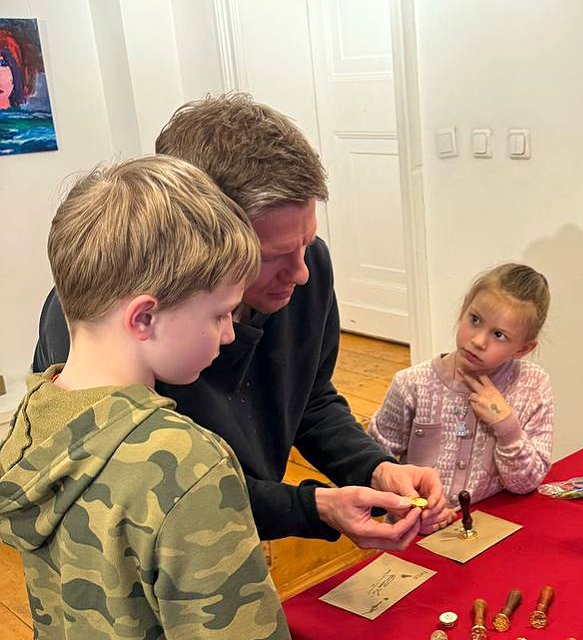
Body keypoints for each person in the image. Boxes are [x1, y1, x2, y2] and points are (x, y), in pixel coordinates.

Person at [31, 93, 445, 547]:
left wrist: (374, 467)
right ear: (202, 234)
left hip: (239, 531)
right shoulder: (97, 327)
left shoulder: (305, 268)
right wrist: (313, 508)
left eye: (308, 242)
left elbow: (309, 398)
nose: (301, 273)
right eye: (271, 256)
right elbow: (161, 493)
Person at [0, 156, 290, 639]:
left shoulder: (33, 420)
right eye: (220, 314)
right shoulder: (190, 463)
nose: (227, 334)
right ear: (144, 318)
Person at [370, 263, 553, 517]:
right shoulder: (411, 384)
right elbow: (375, 469)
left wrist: (508, 429)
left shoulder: (532, 386)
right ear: (465, 307)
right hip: (416, 528)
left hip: (494, 529)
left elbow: (526, 483)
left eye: (499, 335)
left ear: (523, 349)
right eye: (475, 319)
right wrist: (411, 507)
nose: (478, 341)